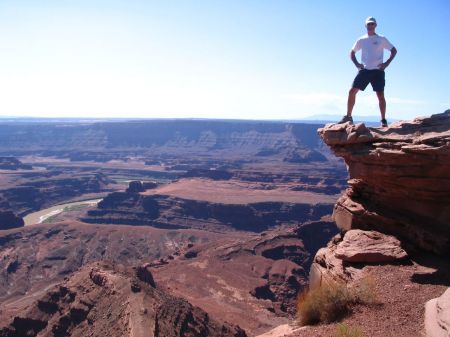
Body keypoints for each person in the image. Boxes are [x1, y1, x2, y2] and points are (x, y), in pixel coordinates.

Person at [339, 16, 397, 127]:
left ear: (375, 25)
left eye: (372, 24)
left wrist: (386, 63)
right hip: (364, 70)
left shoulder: (381, 39)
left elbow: (394, 50)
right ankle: (348, 116)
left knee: (380, 95)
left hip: (378, 71)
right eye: (369, 24)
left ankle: (383, 120)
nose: (370, 26)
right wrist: (357, 64)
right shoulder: (361, 40)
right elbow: (352, 52)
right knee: (352, 91)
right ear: (366, 25)